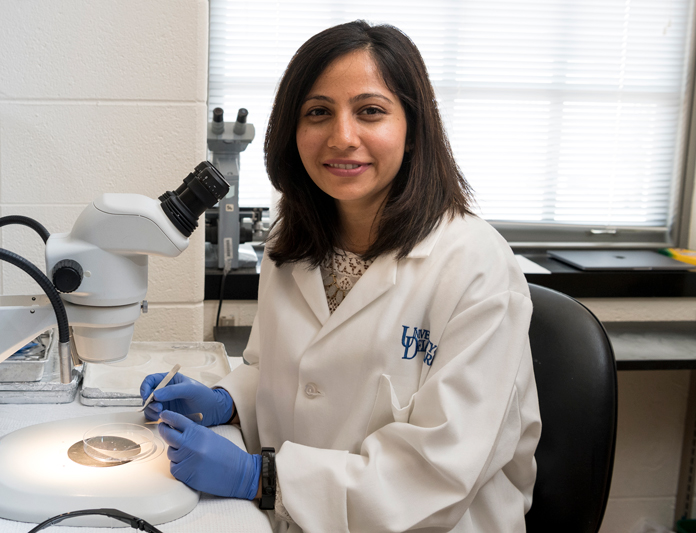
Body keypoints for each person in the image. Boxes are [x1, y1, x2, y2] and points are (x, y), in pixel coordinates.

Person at [140, 20, 541, 533]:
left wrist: (260, 478)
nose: (342, 137)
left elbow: (441, 469)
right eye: (318, 113)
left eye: (370, 111)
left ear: (413, 130)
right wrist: (230, 401)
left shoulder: (476, 265)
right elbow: (283, 370)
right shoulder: (293, 240)